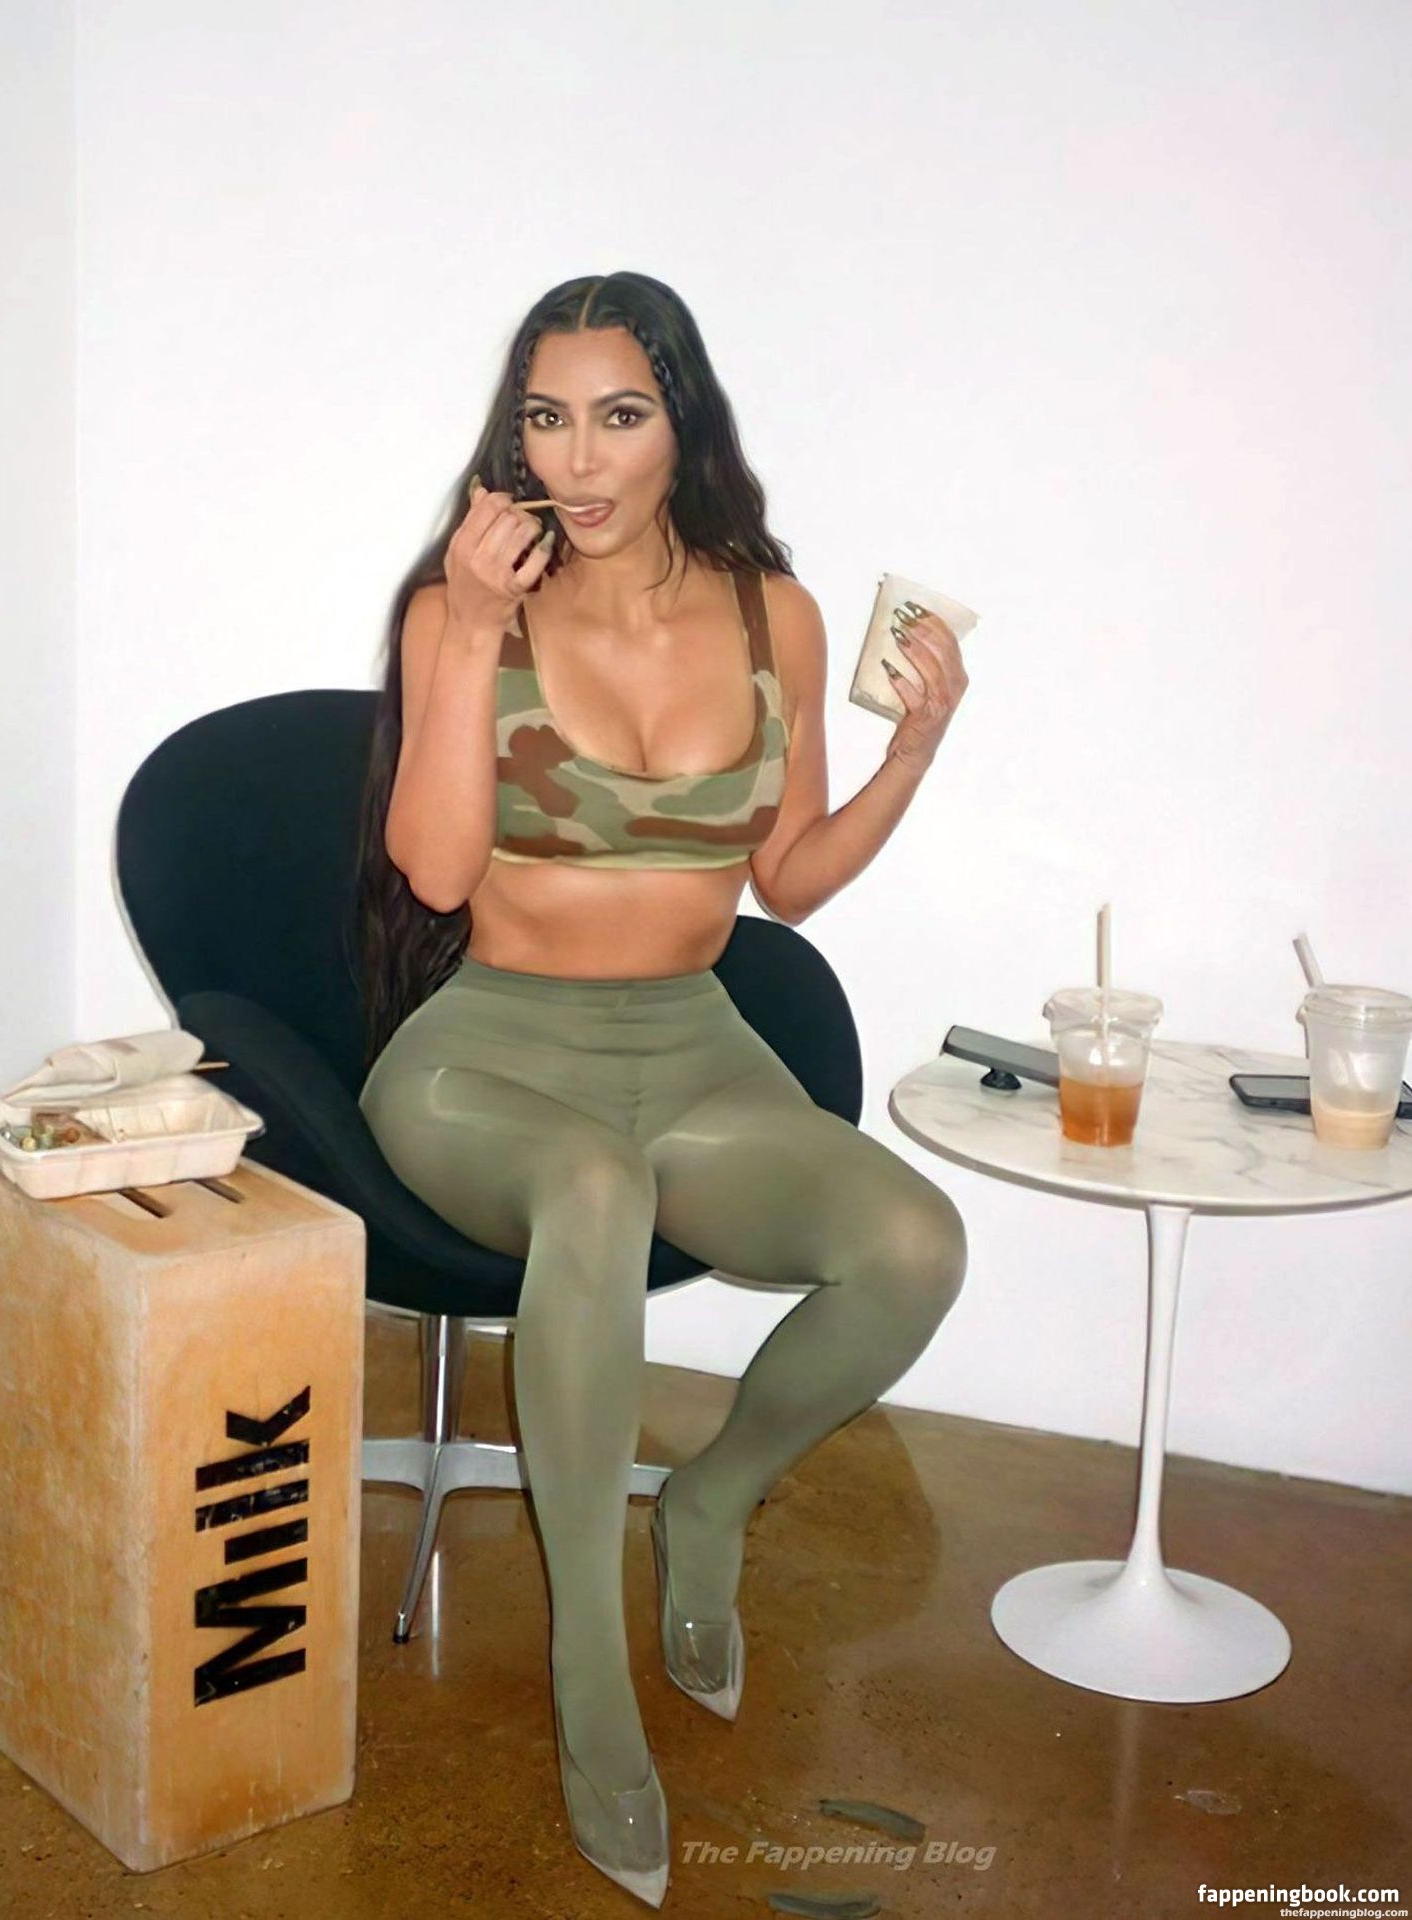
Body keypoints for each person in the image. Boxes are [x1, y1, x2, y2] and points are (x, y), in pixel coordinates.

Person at [351, 271, 970, 1908]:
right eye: (546, 419)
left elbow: (791, 880)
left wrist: (912, 754)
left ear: (678, 424)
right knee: (592, 1186)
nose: (579, 458)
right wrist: (467, 628)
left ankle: (708, 1502)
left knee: (913, 1244)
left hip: (694, 1046)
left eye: (617, 414)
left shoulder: (774, 615)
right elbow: (434, 872)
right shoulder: (461, 606)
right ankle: (587, 1678)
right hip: (486, 1057)